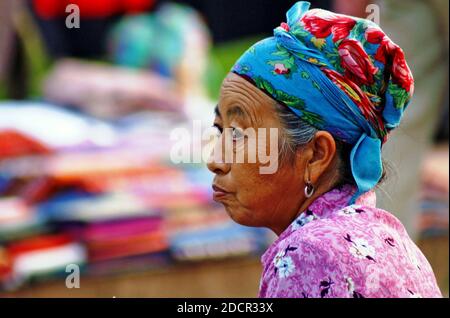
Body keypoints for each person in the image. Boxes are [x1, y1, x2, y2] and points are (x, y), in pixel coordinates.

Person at [207, 1, 442, 298]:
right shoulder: (390, 235)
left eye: (239, 134)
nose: (215, 160)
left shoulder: (309, 253)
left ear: (317, 155)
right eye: (220, 130)